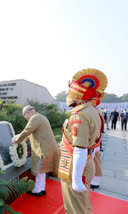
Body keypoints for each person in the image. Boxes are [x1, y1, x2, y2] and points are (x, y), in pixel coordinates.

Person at [58, 68, 107, 214]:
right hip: (85, 161)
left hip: (77, 164)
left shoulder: (79, 115)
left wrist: (76, 179)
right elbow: (95, 141)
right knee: (83, 204)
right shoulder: (94, 111)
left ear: (78, 95)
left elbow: (79, 148)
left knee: (75, 206)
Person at [11, 105, 59, 197]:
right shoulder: (40, 117)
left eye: (24, 115)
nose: (25, 118)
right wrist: (24, 140)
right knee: (42, 170)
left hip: (44, 149)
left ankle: (37, 190)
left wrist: (16, 140)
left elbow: (27, 131)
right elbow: (34, 134)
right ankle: (41, 188)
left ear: (27, 113)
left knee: (39, 169)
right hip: (48, 148)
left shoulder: (35, 118)